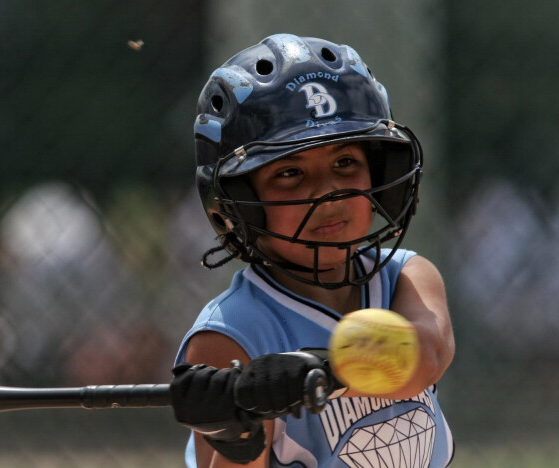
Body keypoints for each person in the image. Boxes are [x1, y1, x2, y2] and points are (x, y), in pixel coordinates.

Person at [169, 33, 455, 468]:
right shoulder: (233, 332)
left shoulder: (406, 276)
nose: (329, 194)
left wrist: (318, 368)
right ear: (241, 202)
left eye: (345, 163)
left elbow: (426, 356)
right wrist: (236, 435)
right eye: (289, 173)